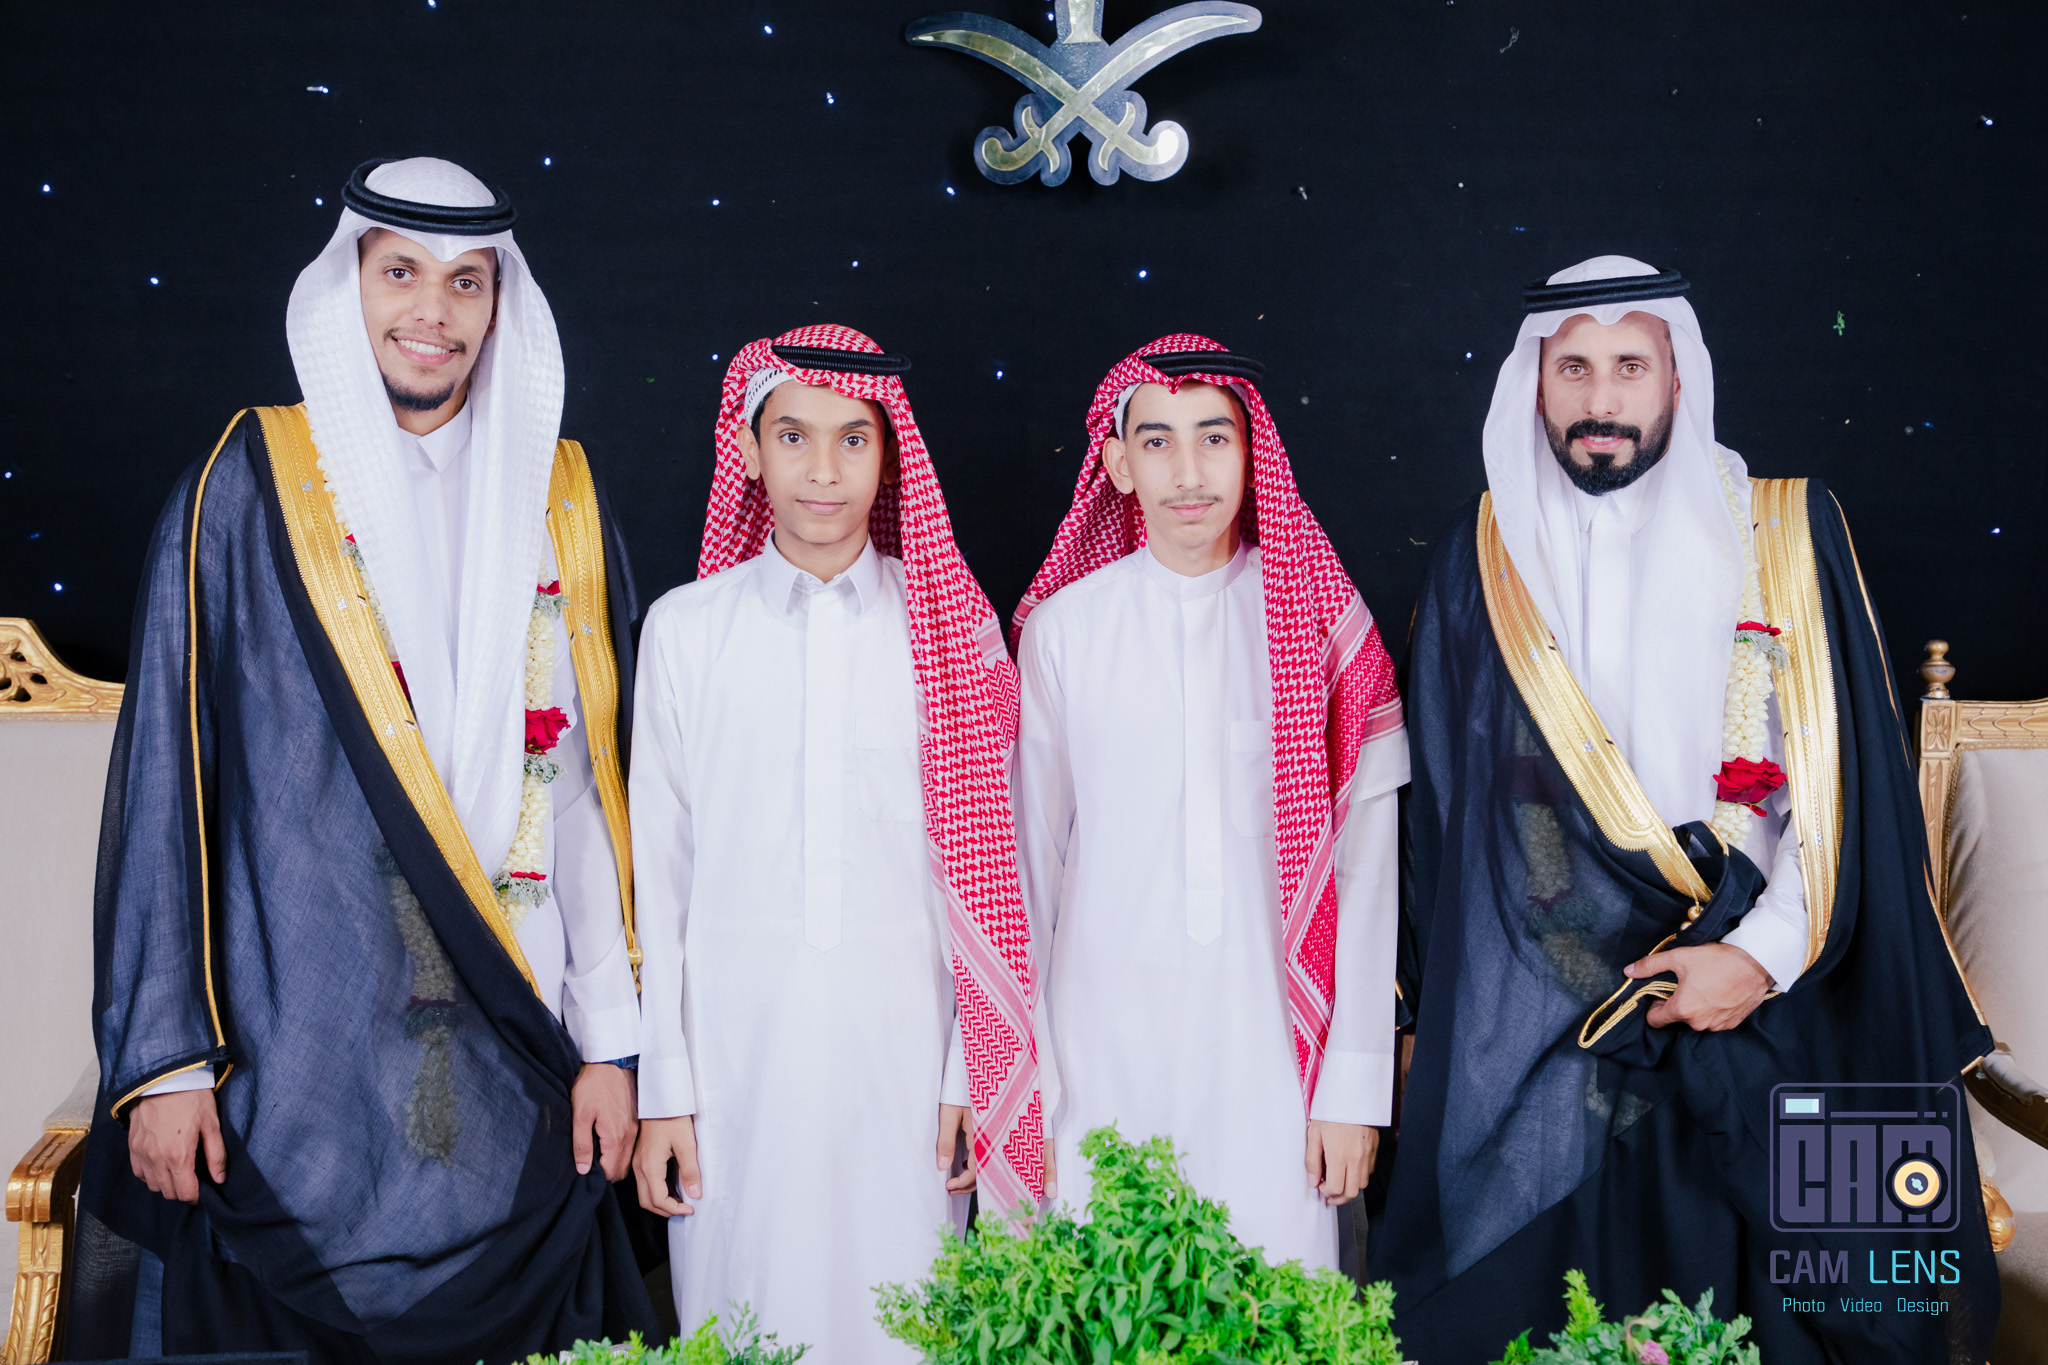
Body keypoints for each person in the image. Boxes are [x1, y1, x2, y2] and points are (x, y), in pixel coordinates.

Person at [75, 157, 657, 1363]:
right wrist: (168, 1064)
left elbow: (586, 798)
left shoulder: (558, 496)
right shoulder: (248, 486)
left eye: (466, 281)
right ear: (347, 284)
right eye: (399, 273)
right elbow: (170, 783)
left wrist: (611, 1043)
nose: (431, 312)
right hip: (297, 1049)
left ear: (500, 306)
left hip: (520, 1040)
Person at [1372, 256, 1999, 1361]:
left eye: (1629, 365)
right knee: (1521, 1315)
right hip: (1548, 1014)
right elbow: (1446, 828)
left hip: (1775, 998)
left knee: (1810, 1318)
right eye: (1573, 368)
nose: (1600, 398)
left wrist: (1753, 959)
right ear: (1533, 382)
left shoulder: (1784, 532)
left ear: (1676, 377)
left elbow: (1845, 798)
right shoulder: (1481, 561)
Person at [629, 326, 1044, 1358]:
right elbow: (661, 880)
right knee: (743, 1316)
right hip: (732, 1072)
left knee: (910, 1321)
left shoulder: (953, 632)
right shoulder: (685, 629)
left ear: (888, 454)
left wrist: (970, 1072)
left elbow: (996, 875)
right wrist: (663, 1093)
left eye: (852, 439)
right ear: (748, 450)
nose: (822, 470)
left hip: (906, 1067)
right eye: (793, 437)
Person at [1010, 334, 1407, 1269]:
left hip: (1274, 1059)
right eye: (1157, 441)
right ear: (1118, 465)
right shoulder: (1064, 630)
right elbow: (1025, 870)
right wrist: (1028, 1086)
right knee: (1105, 1306)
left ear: (1251, 452)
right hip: (1098, 1051)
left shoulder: (1321, 627)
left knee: (1270, 1300)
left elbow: (1367, 872)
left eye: (1214, 438)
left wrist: (1351, 1090)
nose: (1188, 473)